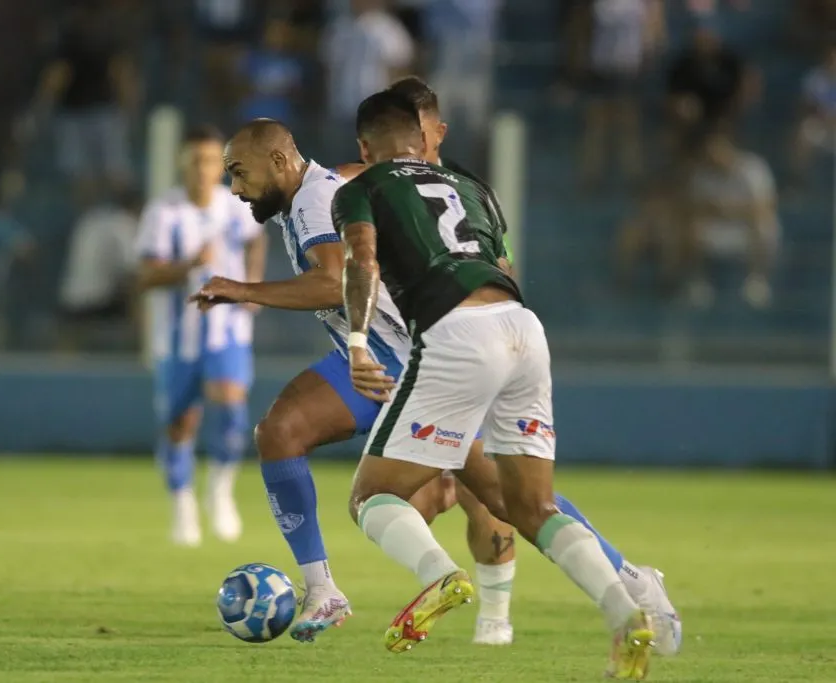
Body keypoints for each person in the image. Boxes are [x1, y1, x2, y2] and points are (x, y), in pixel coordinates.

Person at [195, 115, 677, 658]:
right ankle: (325, 592)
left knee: (501, 495)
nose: (235, 188)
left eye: (239, 172)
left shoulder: (311, 202)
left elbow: (333, 282)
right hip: (399, 356)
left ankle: (630, 581)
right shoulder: (317, 189)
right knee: (282, 432)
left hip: (407, 363)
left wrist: (242, 290)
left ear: (279, 160)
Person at [333, 89, 653, 678]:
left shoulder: (360, 188)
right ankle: (626, 614)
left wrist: (357, 342)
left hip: (456, 333)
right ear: (422, 137)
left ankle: (439, 576)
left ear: (363, 147)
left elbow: (361, 261)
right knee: (532, 506)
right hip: (523, 329)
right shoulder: (472, 186)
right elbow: (503, 267)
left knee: (370, 496)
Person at [134, 125, 266, 547]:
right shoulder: (163, 212)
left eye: (212, 161)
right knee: (180, 424)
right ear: (182, 163)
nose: (204, 169)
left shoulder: (235, 205)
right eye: (196, 161)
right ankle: (183, 503)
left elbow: (256, 240)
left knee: (231, 406)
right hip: (177, 337)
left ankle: (221, 490)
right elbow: (146, 276)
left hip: (227, 332)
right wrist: (188, 264)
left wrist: (254, 284)